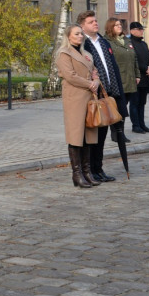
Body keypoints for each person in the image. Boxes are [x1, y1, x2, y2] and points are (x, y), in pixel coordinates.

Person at [78, 10, 125, 182]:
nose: (95, 24)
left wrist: (119, 94)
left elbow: (113, 68)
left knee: (103, 134)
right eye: (91, 22)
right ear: (82, 26)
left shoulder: (103, 42)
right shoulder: (82, 43)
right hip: (91, 95)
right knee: (92, 136)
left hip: (108, 92)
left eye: (96, 21)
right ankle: (89, 169)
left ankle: (98, 168)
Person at [55, 25, 100, 188]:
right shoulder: (64, 54)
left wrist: (96, 81)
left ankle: (87, 172)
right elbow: (70, 76)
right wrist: (90, 83)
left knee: (87, 134)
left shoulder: (86, 54)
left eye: (81, 33)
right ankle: (77, 173)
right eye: (77, 34)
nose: (80, 36)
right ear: (68, 36)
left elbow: (95, 71)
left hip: (88, 96)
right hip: (74, 97)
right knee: (76, 135)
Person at [106, 19, 142, 133]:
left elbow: (134, 58)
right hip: (117, 80)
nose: (119, 26)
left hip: (129, 79)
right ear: (110, 27)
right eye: (116, 25)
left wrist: (137, 75)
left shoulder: (126, 40)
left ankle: (120, 132)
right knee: (117, 108)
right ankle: (116, 132)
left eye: (120, 25)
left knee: (123, 108)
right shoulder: (107, 41)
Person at [128, 22, 149, 133]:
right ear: (132, 31)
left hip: (145, 78)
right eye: (139, 29)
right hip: (135, 77)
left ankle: (142, 124)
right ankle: (136, 125)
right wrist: (145, 68)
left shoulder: (144, 44)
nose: (141, 31)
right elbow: (134, 60)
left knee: (142, 102)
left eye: (142, 29)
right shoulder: (129, 44)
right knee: (135, 102)